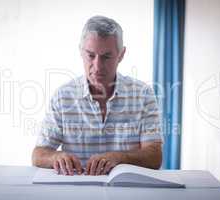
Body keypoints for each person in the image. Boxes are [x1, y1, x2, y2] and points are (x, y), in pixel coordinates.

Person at [32, 15, 162, 176]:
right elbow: (38, 155)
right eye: (91, 55)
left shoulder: (143, 95)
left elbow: (155, 156)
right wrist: (55, 157)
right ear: (81, 51)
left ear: (121, 54)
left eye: (106, 57)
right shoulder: (62, 97)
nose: (98, 66)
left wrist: (119, 158)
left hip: (127, 192)